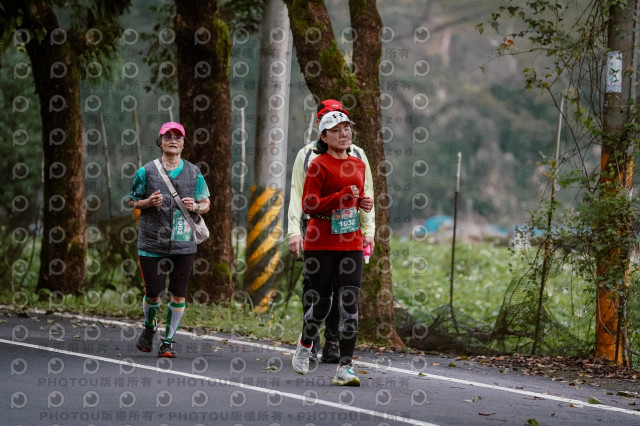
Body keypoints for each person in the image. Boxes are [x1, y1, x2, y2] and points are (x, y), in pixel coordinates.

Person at [287, 100, 375, 363]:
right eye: (335, 128)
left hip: (350, 234)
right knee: (320, 295)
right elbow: (300, 197)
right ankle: (309, 339)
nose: (343, 133)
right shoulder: (309, 158)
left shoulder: (359, 158)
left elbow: (365, 191)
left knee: (347, 297)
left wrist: (367, 222)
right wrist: (294, 231)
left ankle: (340, 355)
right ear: (322, 132)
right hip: (317, 231)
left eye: (346, 126)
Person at [129, 121, 211, 358]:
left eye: (178, 137)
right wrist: (147, 203)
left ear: (183, 143)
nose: (173, 140)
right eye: (168, 136)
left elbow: (206, 203)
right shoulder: (146, 171)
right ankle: (149, 326)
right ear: (161, 141)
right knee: (154, 293)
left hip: (184, 243)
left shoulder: (194, 172)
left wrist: (195, 206)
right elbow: (132, 200)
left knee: (178, 292)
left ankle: (168, 342)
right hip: (151, 242)